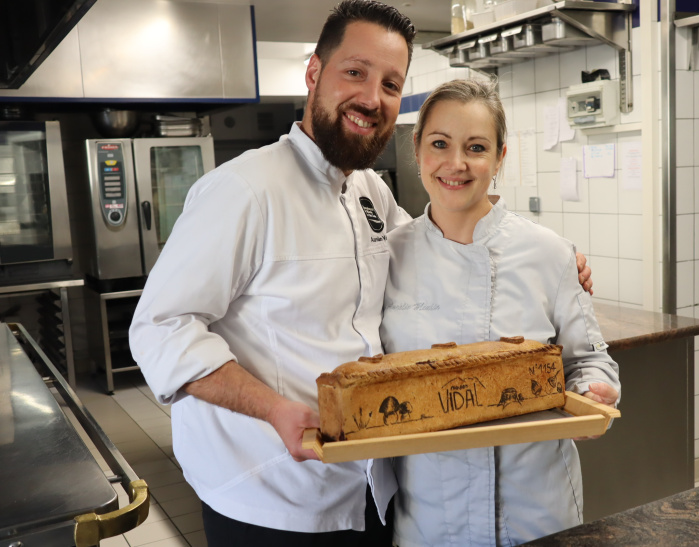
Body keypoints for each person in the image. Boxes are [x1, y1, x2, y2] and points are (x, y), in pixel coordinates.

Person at [129, 1, 593, 544]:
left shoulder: (369, 191)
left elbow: (434, 247)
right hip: (275, 499)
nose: (372, 99)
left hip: (369, 488)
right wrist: (275, 409)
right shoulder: (243, 191)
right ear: (314, 72)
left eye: (391, 84)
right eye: (356, 72)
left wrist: (547, 256)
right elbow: (160, 328)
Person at [378, 79, 620, 547]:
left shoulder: (548, 253)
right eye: (440, 144)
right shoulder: (386, 258)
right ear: (417, 149)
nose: (456, 163)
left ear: (500, 157)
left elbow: (590, 359)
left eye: (476, 147)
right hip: (431, 521)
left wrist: (591, 393)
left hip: (536, 514)